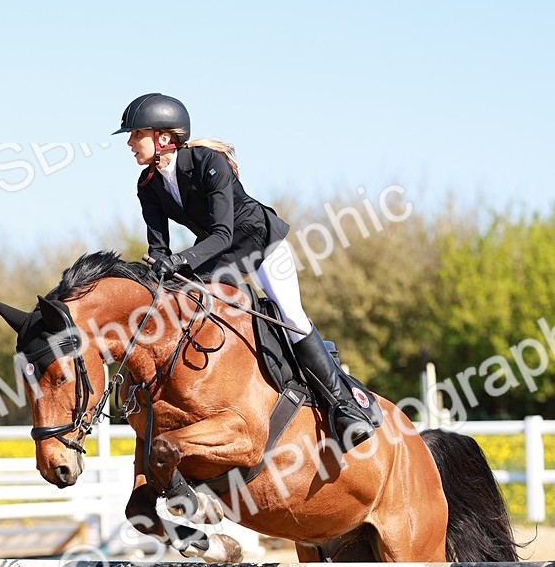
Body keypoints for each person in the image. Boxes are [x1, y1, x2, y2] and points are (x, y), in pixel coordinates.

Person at [113, 92, 376, 447]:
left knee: (291, 315)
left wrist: (181, 261)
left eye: (135, 134)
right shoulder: (148, 185)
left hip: (259, 242)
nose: (130, 142)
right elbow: (159, 248)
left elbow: (223, 233)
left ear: (163, 137)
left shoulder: (209, 162)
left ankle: (345, 407)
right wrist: (157, 270)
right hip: (216, 253)